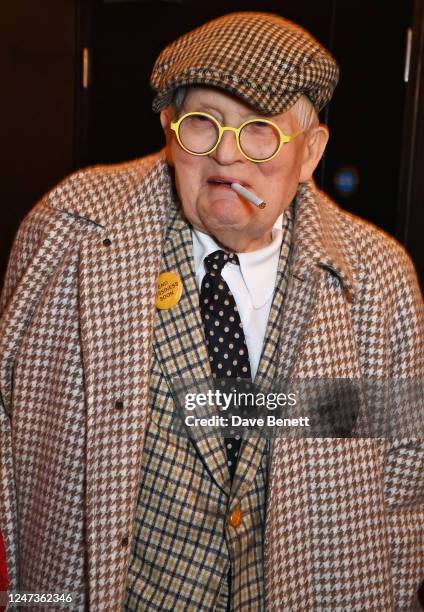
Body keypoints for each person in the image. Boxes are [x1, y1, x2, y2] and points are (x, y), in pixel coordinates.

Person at [0, 11, 423, 612]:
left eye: (260, 131)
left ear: (310, 154)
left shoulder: (380, 281)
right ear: (171, 132)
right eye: (203, 125)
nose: (227, 157)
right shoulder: (68, 230)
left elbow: (405, 484)